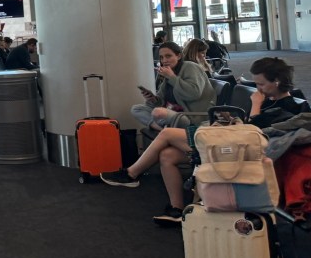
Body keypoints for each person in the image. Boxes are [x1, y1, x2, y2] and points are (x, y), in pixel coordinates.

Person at [102, 56, 301, 226]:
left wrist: (255, 105)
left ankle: (131, 174)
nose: (257, 88)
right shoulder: (267, 99)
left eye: (261, 84)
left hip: (239, 150)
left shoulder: (291, 106)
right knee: (167, 155)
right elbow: (245, 126)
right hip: (227, 142)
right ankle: (176, 209)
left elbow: (255, 133)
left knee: (167, 134)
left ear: (276, 82)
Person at [131, 41, 215, 131]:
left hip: (189, 116)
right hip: (172, 111)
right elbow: (161, 100)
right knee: (137, 109)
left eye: (168, 56)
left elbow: (194, 94)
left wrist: (172, 77)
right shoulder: (171, 71)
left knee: (158, 112)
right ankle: (162, 129)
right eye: (161, 57)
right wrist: (153, 99)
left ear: (179, 56)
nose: (164, 60)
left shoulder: (191, 67)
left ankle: (165, 129)